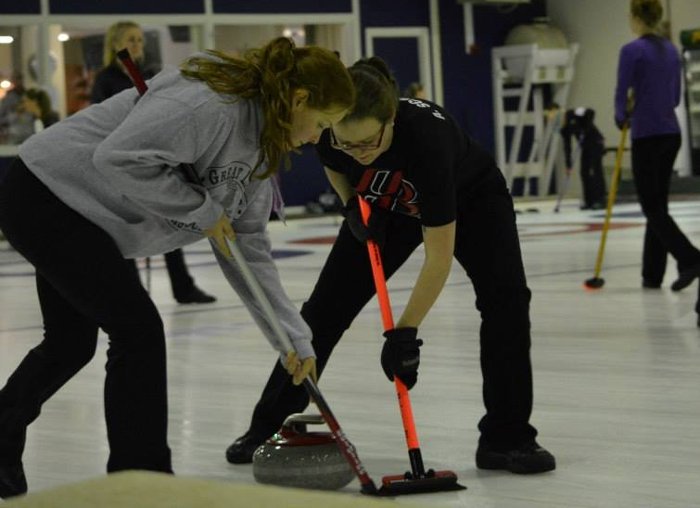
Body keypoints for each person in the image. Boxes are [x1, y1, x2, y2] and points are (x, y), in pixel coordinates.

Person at [0, 36, 354, 499]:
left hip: (85, 216)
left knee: (71, 344)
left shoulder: (261, 149)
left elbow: (246, 249)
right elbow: (119, 157)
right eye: (321, 123)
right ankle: (142, 480)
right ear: (299, 99)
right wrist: (202, 210)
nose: (316, 139)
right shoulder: (210, 104)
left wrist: (290, 336)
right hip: (45, 195)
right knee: (138, 331)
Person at [226, 57, 556, 475]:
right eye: (348, 144)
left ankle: (507, 438)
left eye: (368, 144)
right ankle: (265, 427)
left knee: (505, 302)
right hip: (384, 205)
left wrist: (404, 333)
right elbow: (334, 163)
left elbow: (438, 256)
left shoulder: (427, 142)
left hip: (472, 201)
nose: (359, 155)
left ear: (392, 120)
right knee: (323, 311)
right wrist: (351, 205)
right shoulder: (333, 133)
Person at [92, 21, 216, 304]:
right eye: (130, 40)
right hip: (122, 161)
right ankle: (132, 293)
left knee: (168, 218)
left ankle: (183, 286)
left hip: (153, 155)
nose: (137, 45)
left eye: (139, 40)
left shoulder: (148, 75)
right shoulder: (106, 79)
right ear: (116, 44)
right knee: (127, 226)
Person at [615, 0, 700, 291]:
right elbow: (675, 97)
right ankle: (652, 274)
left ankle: (690, 258)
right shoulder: (671, 49)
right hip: (669, 133)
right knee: (657, 205)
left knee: (651, 206)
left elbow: (621, 91)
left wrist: (621, 115)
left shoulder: (631, 51)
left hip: (647, 135)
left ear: (636, 17)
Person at [560, 107, 606, 210]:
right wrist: (569, 165)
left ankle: (600, 200)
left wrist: (586, 127)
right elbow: (567, 147)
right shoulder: (565, 130)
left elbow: (591, 111)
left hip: (596, 143)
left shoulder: (572, 113)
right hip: (585, 147)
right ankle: (588, 201)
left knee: (595, 171)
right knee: (584, 172)